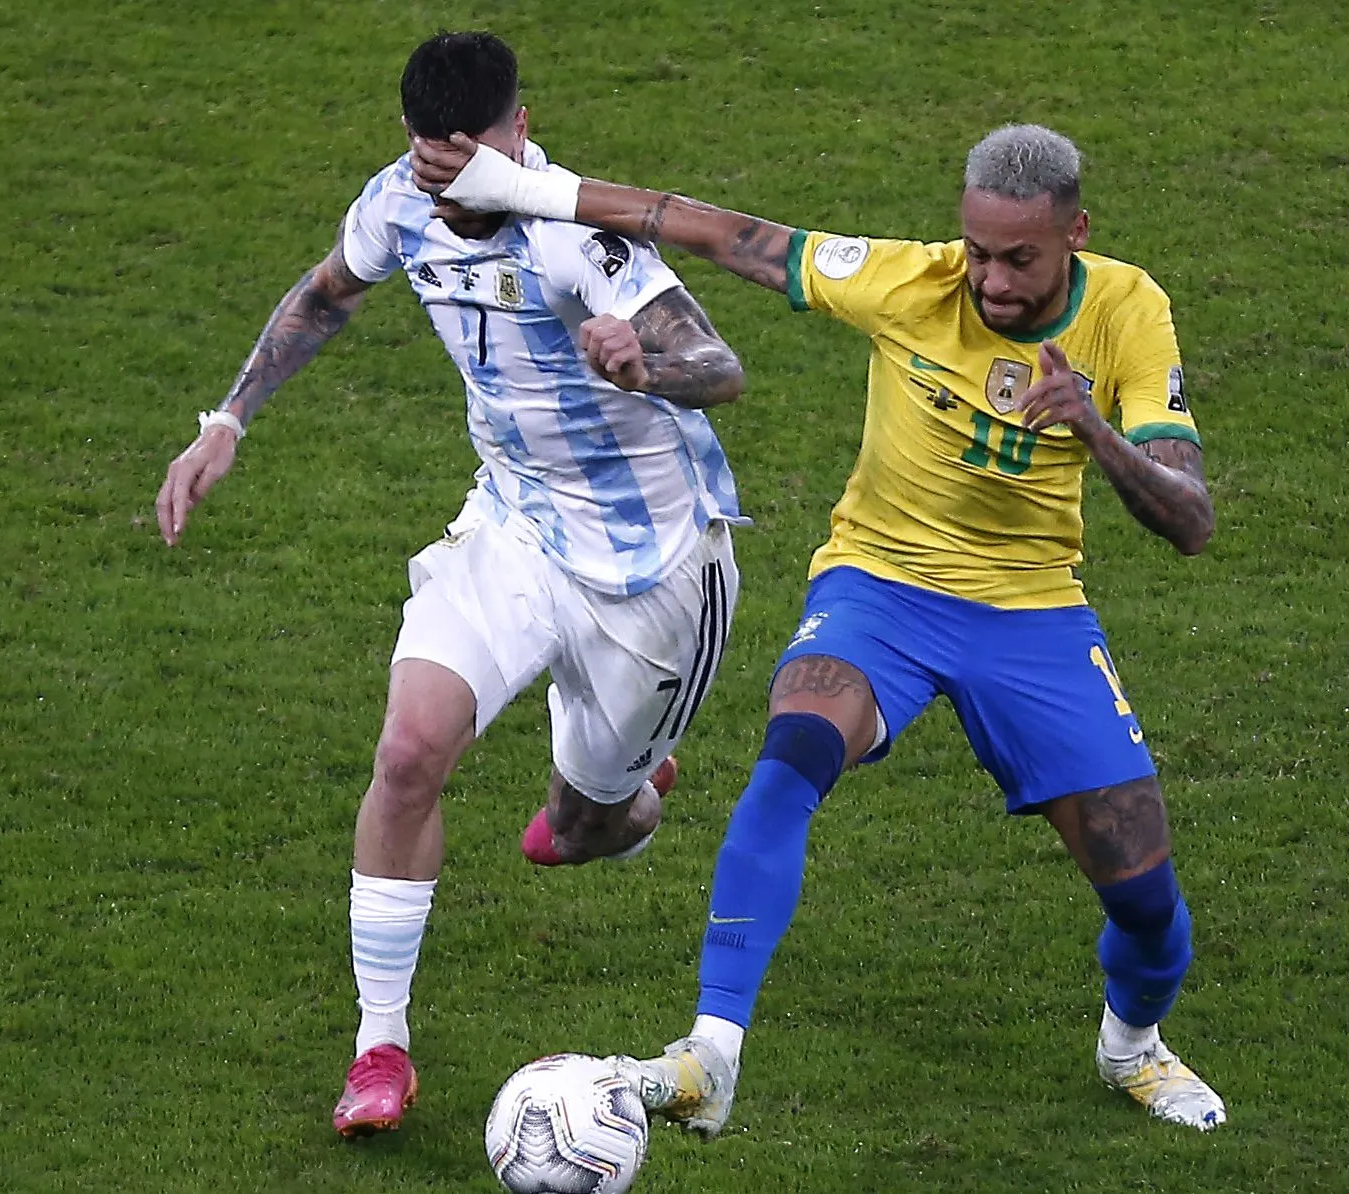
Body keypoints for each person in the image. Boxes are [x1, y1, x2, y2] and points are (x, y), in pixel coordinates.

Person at [410, 121, 1227, 1132]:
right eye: (976, 251)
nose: (991, 279)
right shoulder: (906, 284)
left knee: (1145, 903)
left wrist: (1091, 426)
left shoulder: (1127, 312)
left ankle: (1131, 1047)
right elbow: (708, 231)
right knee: (795, 744)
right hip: (877, 590)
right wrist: (518, 185)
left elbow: (1189, 522)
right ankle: (709, 1054)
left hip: (1031, 613)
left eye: (1018, 258)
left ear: (1074, 235)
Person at [155, 31, 750, 1138]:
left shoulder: (583, 242)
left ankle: (618, 792)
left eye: (473, 165)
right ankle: (380, 1047)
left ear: (520, 131)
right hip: (515, 529)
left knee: (581, 829)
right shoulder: (397, 202)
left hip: (653, 569)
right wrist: (228, 417)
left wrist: (643, 364)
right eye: (437, 168)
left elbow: (721, 367)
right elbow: (327, 292)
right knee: (407, 750)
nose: (455, 191)